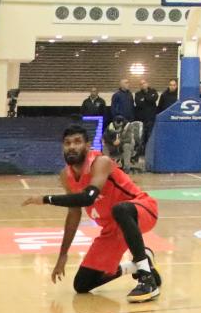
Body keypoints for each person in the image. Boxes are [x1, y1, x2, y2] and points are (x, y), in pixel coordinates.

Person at [22, 123, 161, 302]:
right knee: (82, 284)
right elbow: (74, 214)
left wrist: (46, 199)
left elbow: (88, 197)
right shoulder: (66, 176)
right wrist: (63, 254)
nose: (72, 146)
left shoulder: (100, 162)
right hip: (113, 228)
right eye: (67, 143)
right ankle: (138, 265)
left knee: (120, 209)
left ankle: (146, 279)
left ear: (88, 146)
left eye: (77, 142)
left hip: (141, 210)